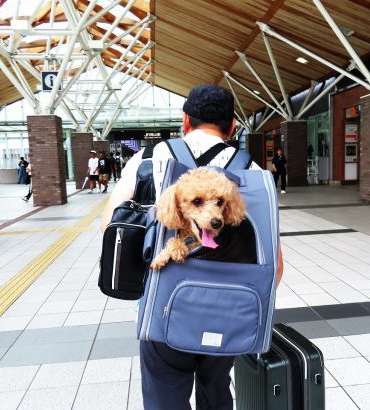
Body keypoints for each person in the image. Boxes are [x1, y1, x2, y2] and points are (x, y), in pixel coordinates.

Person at [101, 84, 284, 410]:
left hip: (162, 308)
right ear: (232, 127)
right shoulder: (252, 172)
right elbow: (274, 263)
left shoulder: (147, 159)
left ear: (185, 120)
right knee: (216, 393)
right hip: (228, 311)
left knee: (164, 397)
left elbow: (111, 229)